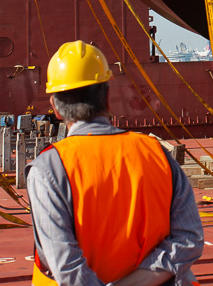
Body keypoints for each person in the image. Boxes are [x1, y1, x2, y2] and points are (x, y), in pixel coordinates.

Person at [28, 41, 203, 286]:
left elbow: (65, 265)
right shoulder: (157, 154)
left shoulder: (48, 168)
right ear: (107, 99)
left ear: (55, 108)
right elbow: (189, 239)